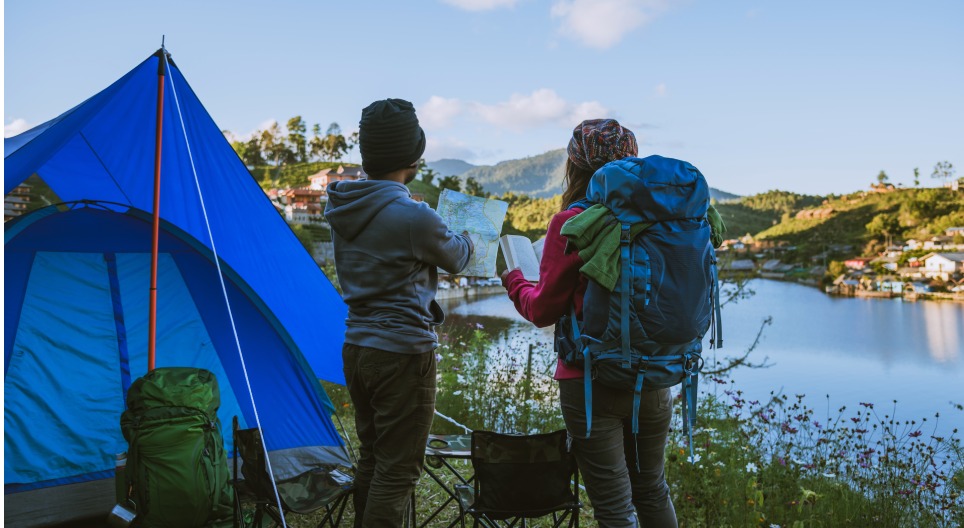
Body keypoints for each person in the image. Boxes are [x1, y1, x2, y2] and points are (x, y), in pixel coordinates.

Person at [500, 119, 678, 527]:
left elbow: (542, 310)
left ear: (574, 166)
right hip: (655, 375)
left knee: (614, 505)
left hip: (590, 381)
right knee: (652, 490)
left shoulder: (573, 223)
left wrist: (515, 282)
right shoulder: (665, 221)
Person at [324, 98, 474, 527]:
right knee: (399, 470)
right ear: (415, 155)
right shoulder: (415, 216)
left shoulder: (342, 206)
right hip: (403, 353)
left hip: (357, 346)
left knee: (373, 458)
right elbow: (459, 258)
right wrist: (465, 230)